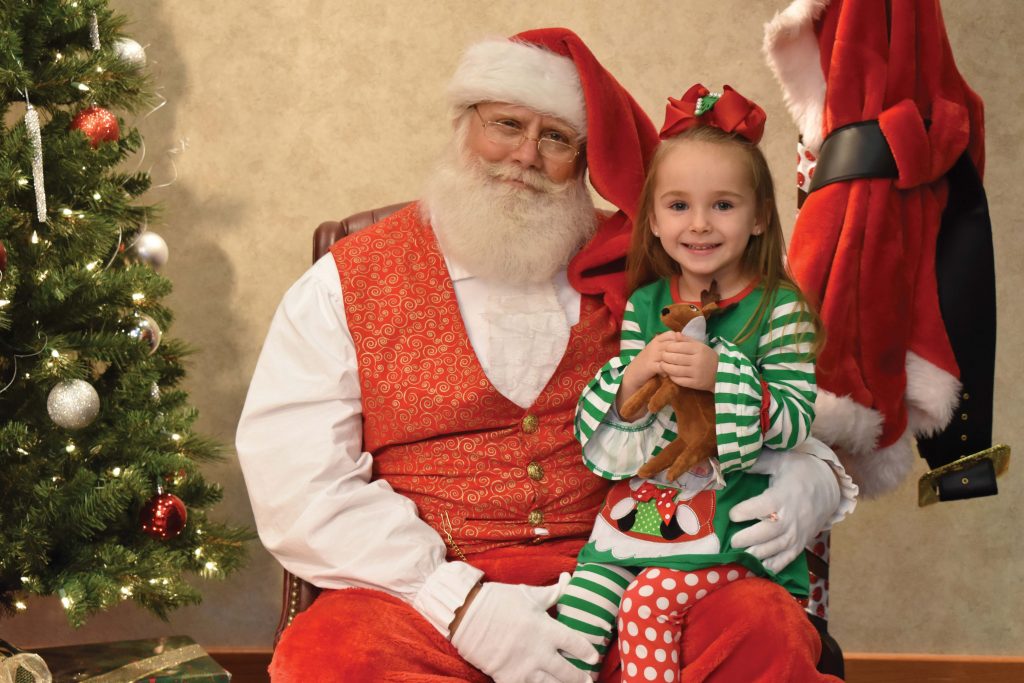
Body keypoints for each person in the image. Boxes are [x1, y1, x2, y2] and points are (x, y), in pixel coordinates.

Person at [236, 30, 856, 682]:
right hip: (427, 596)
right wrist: (462, 604)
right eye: (506, 125)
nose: (526, 155)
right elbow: (300, 480)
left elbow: (753, 373)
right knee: (329, 658)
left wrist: (813, 474)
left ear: (585, 159)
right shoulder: (346, 281)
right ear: (463, 126)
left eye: (556, 138)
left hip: (629, 569)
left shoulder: (647, 270)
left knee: (761, 625)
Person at [557, 84, 852, 683]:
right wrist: (635, 374)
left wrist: (726, 376)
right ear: (655, 220)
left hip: (732, 520)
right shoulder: (646, 305)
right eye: (678, 206)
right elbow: (637, 423)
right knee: (581, 604)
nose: (699, 225)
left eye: (722, 205)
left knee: (647, 602)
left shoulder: (780, 310)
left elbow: (797, 419)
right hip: (650, 498)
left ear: (760, 216)